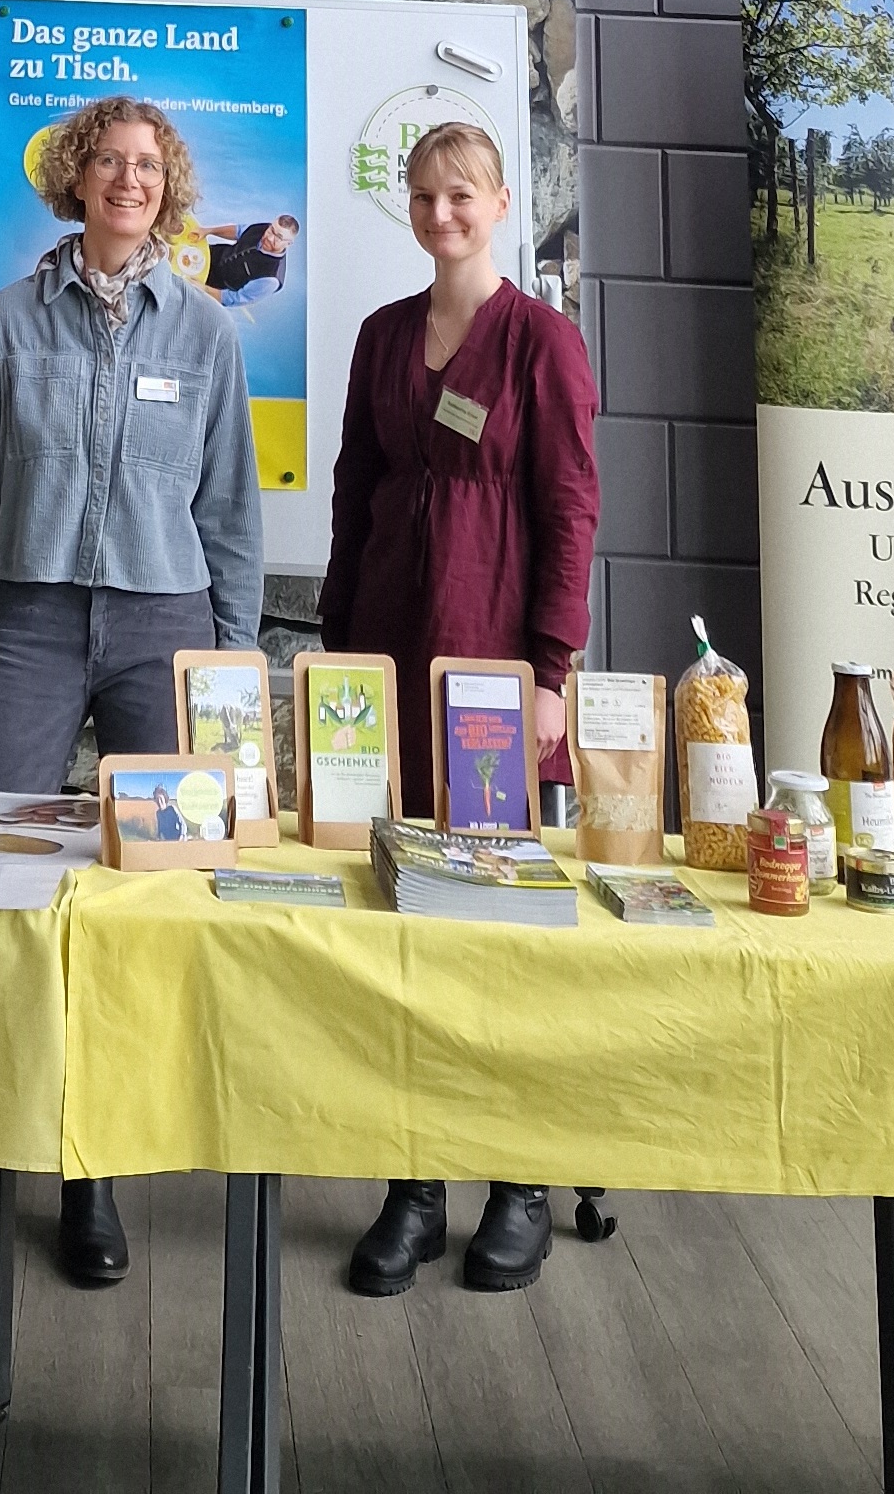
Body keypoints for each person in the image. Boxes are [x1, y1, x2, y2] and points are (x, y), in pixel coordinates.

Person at [0, 95, 263, 1293]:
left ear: (166, 189)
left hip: (162, 633)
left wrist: (227, 677)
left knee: (143, 904)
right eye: (109, 163)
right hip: (28, 624)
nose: (128, 182)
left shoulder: (205, 334)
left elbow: (231, 514)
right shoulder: (7, 321)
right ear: (77, 179)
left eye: (148, 167)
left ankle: (90, 1173)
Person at [319, 120, 600, 1298]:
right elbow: (352, 485)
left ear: (497, 204)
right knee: (401, 923)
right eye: (423, 196)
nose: (440, 214)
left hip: (490, 679)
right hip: (385, 665)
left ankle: (518, 1184)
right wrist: (337, 647)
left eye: (461, 196)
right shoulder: (383, 337)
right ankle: (414, 1181)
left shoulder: (541, 342)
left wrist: (549, 672)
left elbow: (571, 506)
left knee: (496, 931)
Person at [203, 212, 299, 304]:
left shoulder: (271, 279)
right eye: (271, 230)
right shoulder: (264, 228)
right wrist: (208, 231)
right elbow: (239, 231)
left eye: (278, 237)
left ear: (288, 243)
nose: (269, 238)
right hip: (209, 253)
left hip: (211, 284)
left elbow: (233, 298)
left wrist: (202, 288)